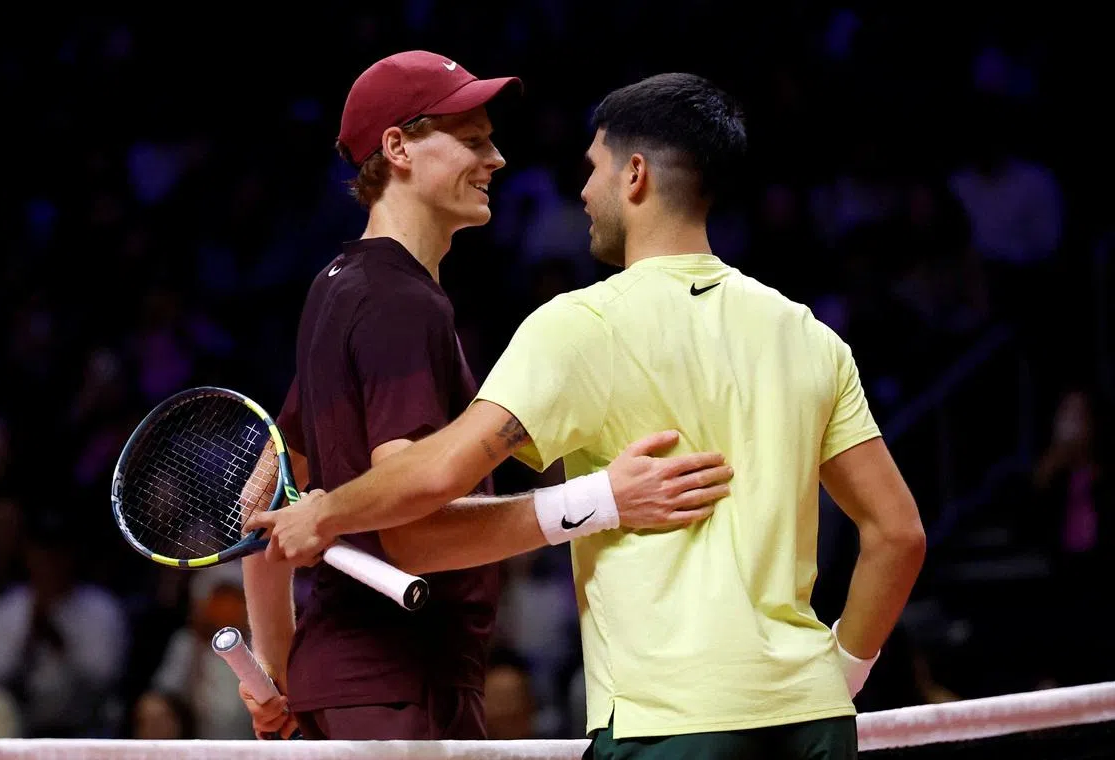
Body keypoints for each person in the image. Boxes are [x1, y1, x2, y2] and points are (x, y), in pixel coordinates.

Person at [248, 71, 926, 759]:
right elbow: (899, 534)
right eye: (474, 141)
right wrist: (839, 674)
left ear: (635, 176)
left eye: (592, 169)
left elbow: (395, 487)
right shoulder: (809, 334)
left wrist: (321, 530)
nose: (579, 191)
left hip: (667, 719)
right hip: (811, 716)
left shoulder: (574, 324)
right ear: (395, 150)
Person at [239, 53, 734, 742]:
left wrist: (278, 669)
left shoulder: (337, 284)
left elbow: (260, 503)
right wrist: (600, 501)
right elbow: (410, 530)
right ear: (397, 147)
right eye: (471, 139)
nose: (496, 158)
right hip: (403, 691)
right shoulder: (399, 302)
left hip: (348, 686)